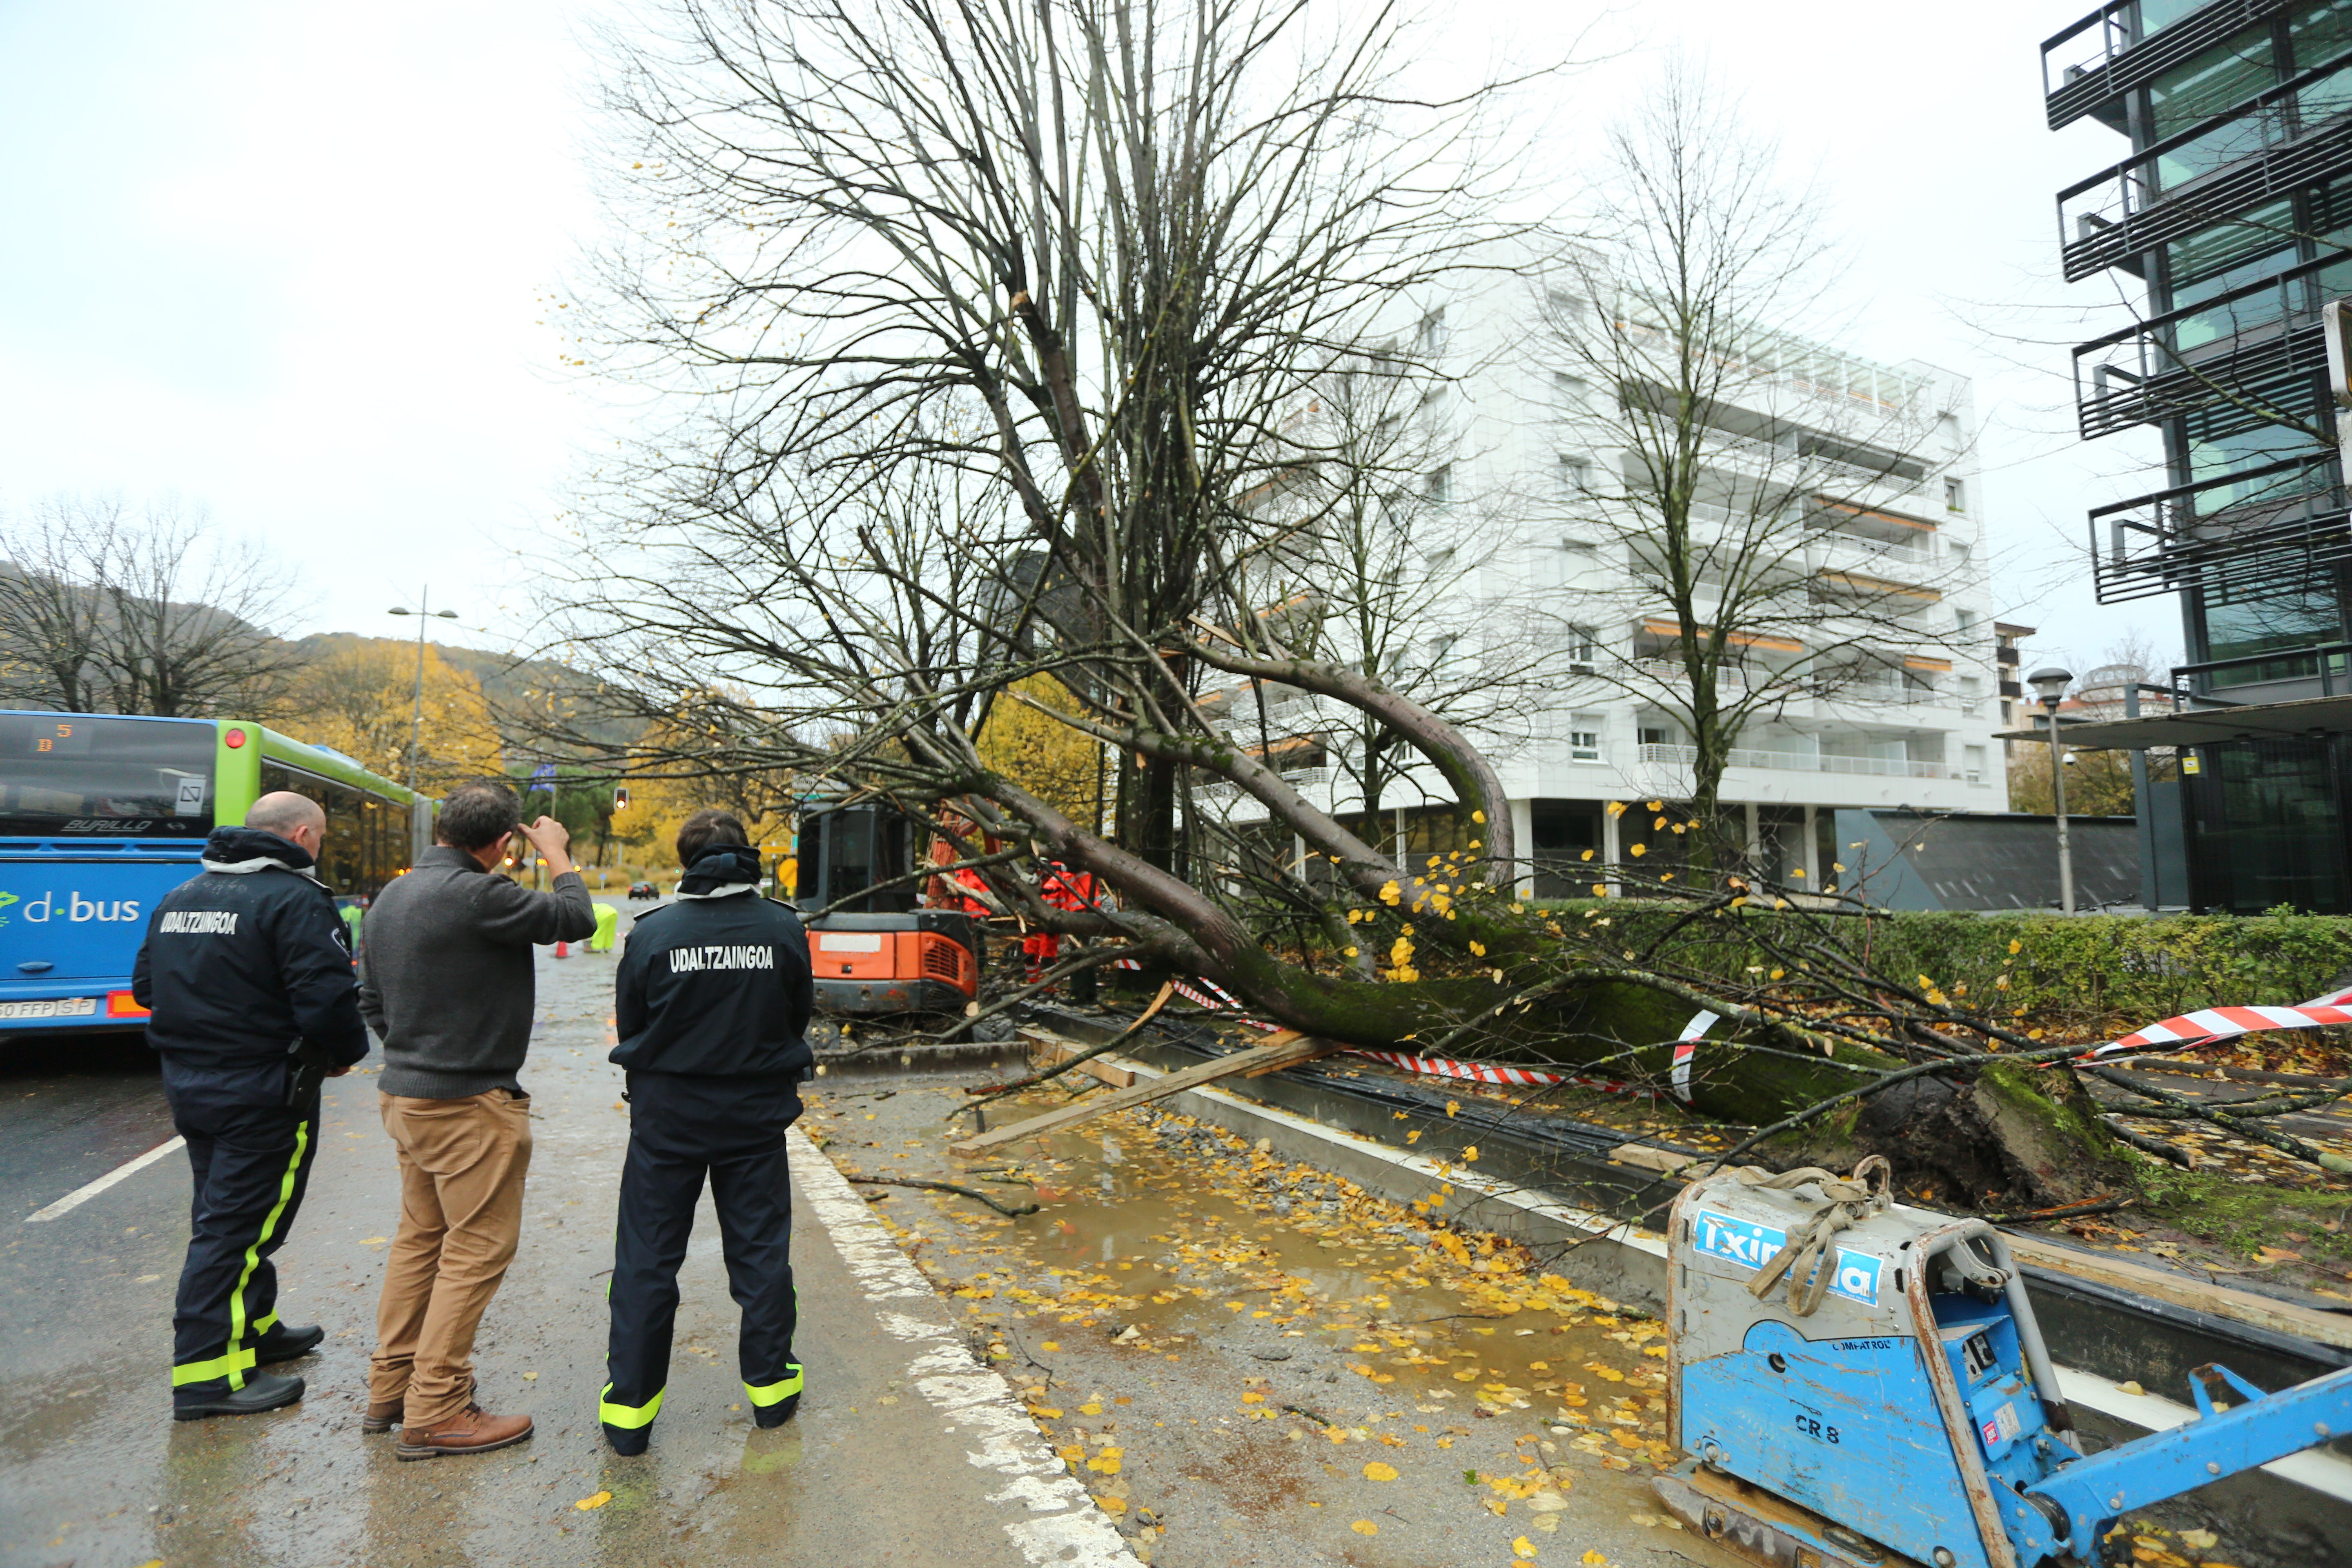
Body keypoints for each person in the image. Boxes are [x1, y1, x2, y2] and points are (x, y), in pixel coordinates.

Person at [356, 782, 596, 1459]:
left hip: (406, 1096)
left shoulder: (391, 896)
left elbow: (369, 1001)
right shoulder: (480, 895)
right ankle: (437, 1408)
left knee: (421, 1241)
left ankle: (391, 1389)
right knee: (476, 1250)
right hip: (468, 1104)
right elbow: (576, 917)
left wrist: (415, 1054)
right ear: (501, 842)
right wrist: (556, 852)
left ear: (442, 829)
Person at [133, 791, 370, 1421]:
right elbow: (327, 999)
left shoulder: (181, 897)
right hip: (264, 1090)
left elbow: (146, 986)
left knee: (225, 1214)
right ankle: (207, 1380)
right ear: (302, 836)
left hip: (190, 1084)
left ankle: (254, 1330)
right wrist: (345, 1053)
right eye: (320, 837)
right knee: (235, 1232)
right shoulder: (296, 900)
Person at [600, 808, 816, 1455]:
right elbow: (797, 1014)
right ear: (747, 854)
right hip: (754, 1119)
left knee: (646, 1261)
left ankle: (629, 1416)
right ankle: (772, 1394)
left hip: (667, 1122)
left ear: (684, 859)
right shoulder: (783, 928)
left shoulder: (654, 933)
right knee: (761, 1256)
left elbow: (632, 1022)